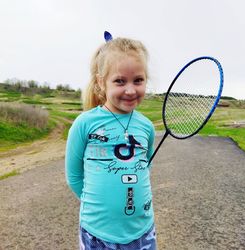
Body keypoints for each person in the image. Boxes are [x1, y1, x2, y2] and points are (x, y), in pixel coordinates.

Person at [65, 31, 156, 250]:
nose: (130, 90)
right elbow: (75, 176)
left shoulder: (146, 127)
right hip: (97, 233)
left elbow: (145, 165)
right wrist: (101, 207)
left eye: (138, 80)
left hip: (142, 232)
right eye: (120, 81)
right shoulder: (84, 123)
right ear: (101, 82)